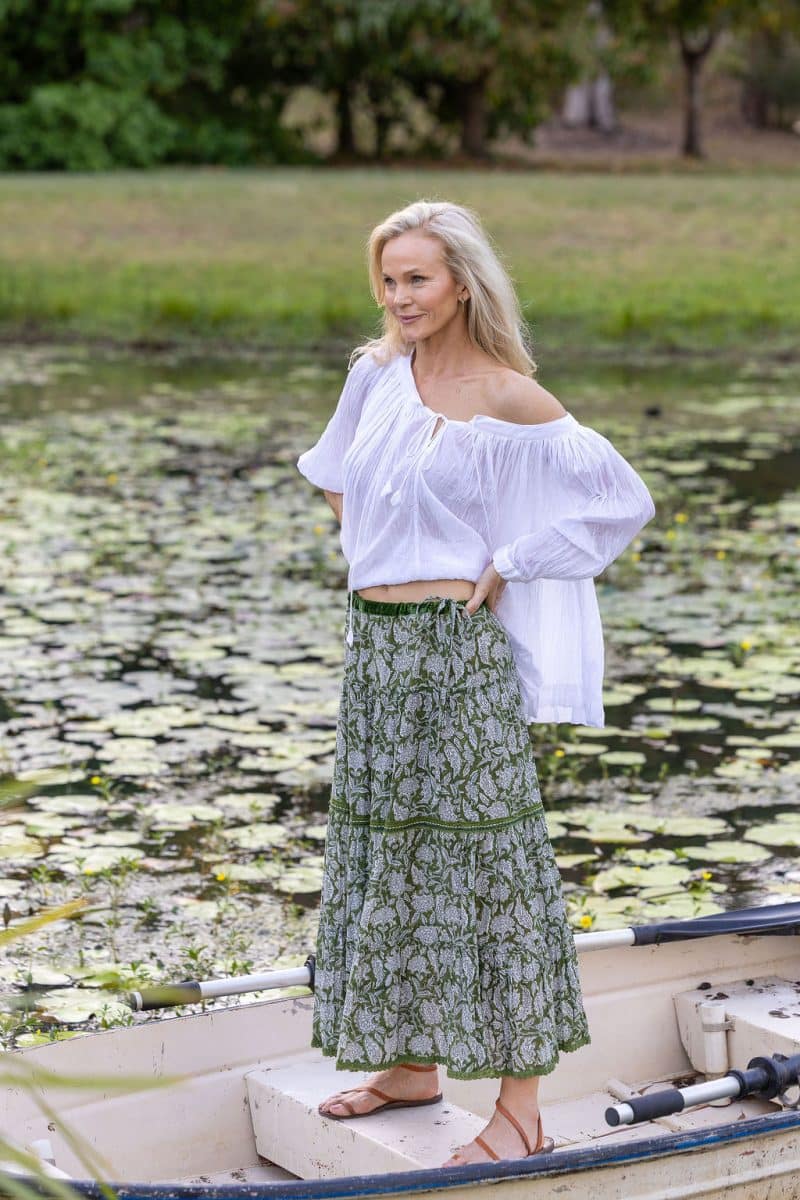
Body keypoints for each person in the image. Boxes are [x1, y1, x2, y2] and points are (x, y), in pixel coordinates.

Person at [295, 199, 656, 1167]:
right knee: (391, 857)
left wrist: (514, 557)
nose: (398, 296)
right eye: (387, 279)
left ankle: (518, 1109)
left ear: (460, 283)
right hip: (375, 649)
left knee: (487, 868)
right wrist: (373, 539)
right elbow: (333, 475)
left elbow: (619, 499)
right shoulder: (374, 376)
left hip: (455, 654)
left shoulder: (505, 394)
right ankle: (410, 1067)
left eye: (415, 278)